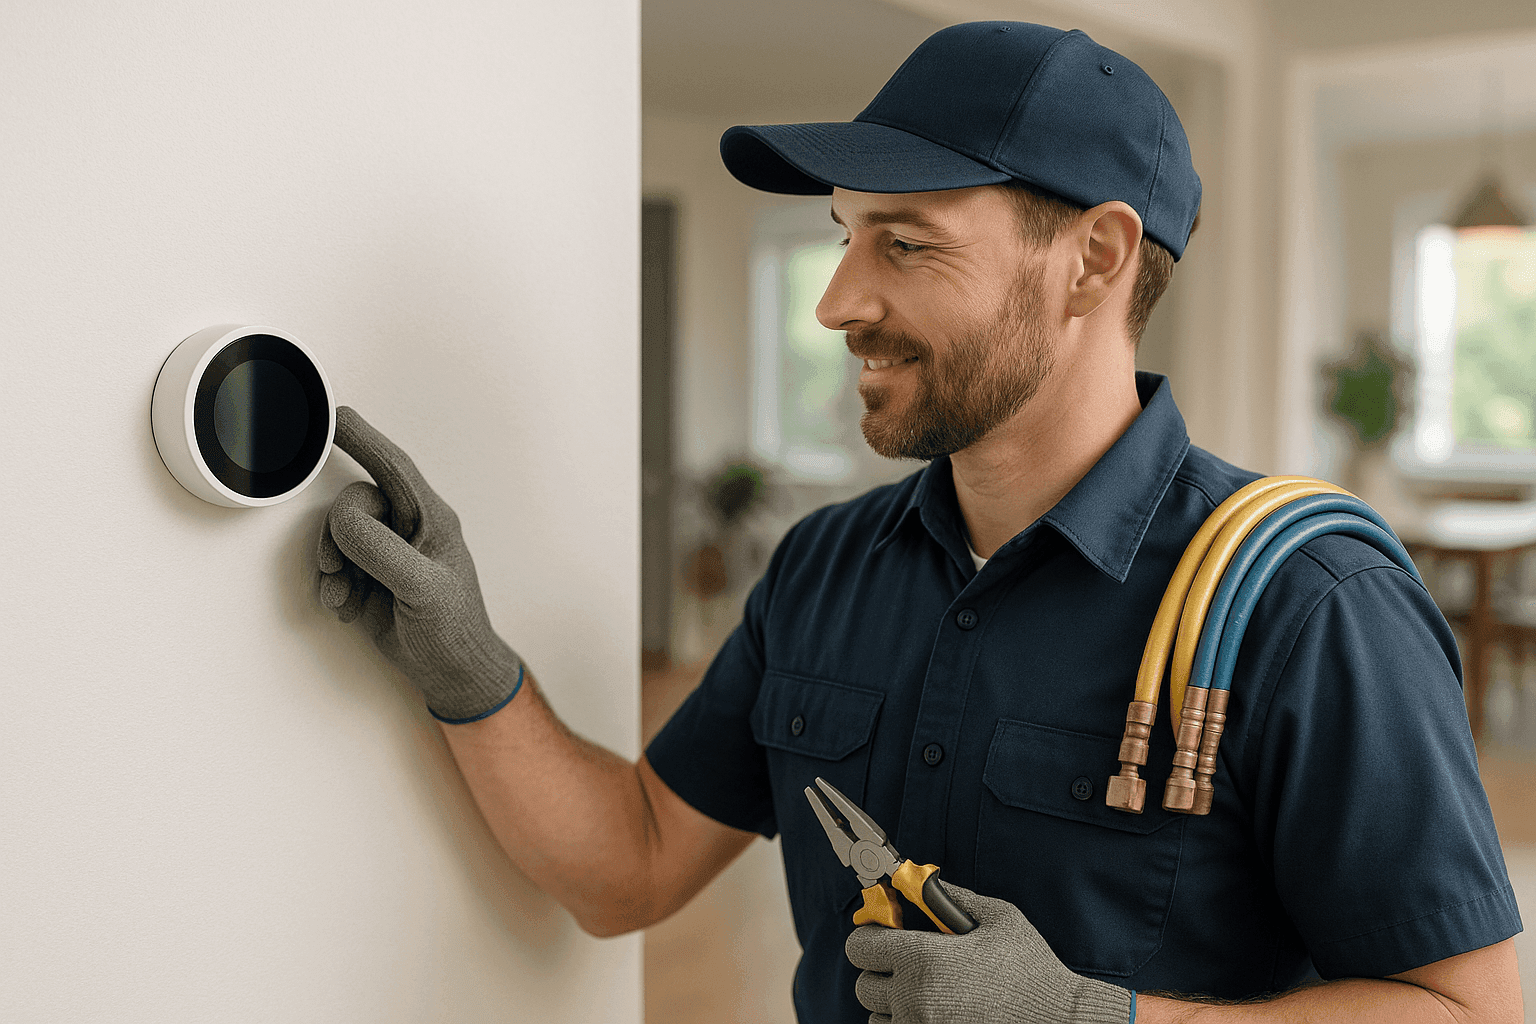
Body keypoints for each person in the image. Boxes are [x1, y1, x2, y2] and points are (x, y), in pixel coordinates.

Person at [315, 21, 1524, 1024]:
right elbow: (628, 863)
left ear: (1094, 260)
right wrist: (466, 662)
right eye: (848, 237)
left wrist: (1090, 1017)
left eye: (907, 243)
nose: (840, 302)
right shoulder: (824, 567)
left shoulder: (1308, 603)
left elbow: (1463, 1008)